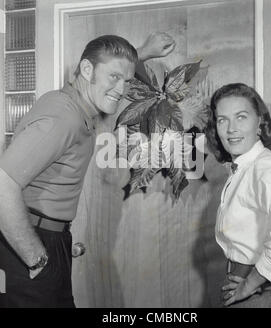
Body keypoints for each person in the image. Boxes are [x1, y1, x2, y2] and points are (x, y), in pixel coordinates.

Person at [0, 32, 175, 308]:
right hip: (28, 242)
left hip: (50, 237)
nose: (121, 89)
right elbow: (2, 186)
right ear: (85, 70)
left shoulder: (78, 104)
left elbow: (108, 65)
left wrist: (143, 51)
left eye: (127, 81)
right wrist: (34, 256)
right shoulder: (63, 118)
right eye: (114, 78)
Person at [205, 83, 271, 308]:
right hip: (243, 284)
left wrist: (254, 280)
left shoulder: (264, 167)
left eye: (241, 117)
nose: (231, 129)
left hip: (257, 293)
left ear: (259, 123)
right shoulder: (246, 165)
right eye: (222, 120)